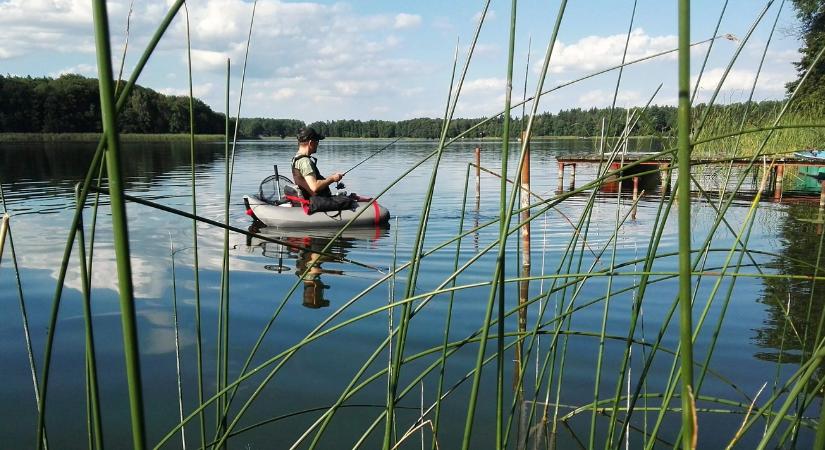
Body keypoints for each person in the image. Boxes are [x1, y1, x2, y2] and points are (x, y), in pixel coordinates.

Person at [291, 127, 344, 199]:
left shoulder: (296, 159)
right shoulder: (305, 162)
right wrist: (332, 179)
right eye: (317, 141)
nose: (318, 145)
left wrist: (332, 177)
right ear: (310, 143)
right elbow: (314, 187)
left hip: (311, 199)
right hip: (316, 202)